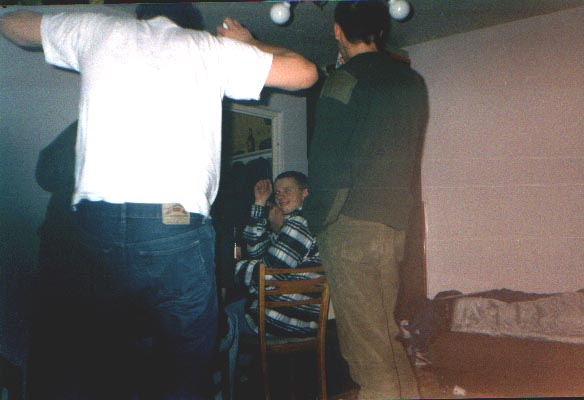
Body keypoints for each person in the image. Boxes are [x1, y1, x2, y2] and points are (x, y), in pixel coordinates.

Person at [1, 7, 317, 399]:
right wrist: (250, 43)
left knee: (98, 369)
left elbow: (12, 24)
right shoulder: (207, 47)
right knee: (183, 373)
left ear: (139, 17)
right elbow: (306, 72)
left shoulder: (98, 28)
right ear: (190, 24)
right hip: (175, 220)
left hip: (97, 223)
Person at [302, 1, 429, 399]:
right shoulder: (412, 82)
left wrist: (316, 219)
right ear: (381, 30)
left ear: (338, 31)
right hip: (393, 226)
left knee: (368, 357)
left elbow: (326, 161)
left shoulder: (343, 80)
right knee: (386, 342)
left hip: (351, 227)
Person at [227, 171, 322, 338]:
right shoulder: (294, 223)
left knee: (214, 321)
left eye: (288, 190)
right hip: (288, 315)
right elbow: (255, 251)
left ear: (305, 193)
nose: (280, 196)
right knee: (227, 311)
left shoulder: (300, 224)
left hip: (284, 319)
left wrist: (228, 270)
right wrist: (260, 202)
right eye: (277, 192)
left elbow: (268, 274)